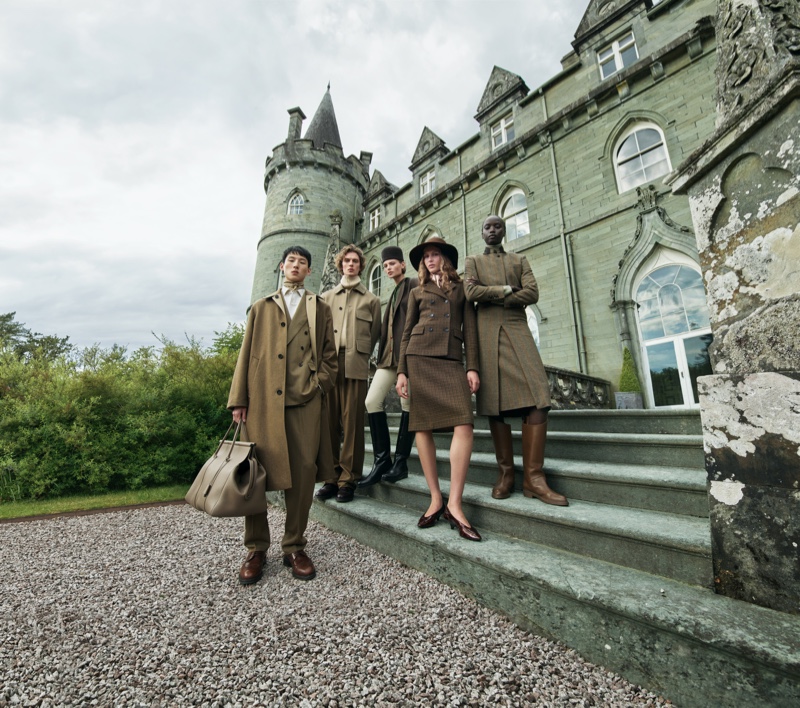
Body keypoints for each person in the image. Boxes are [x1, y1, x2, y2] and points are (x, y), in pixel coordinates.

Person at [228, 245, 338, 585]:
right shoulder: (261, 307)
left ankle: (294, 546)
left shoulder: (320, 307)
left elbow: (331, 358)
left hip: (305, 403)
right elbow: (246, 355)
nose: (296, 265)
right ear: (281, 267)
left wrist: (319, 386)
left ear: (308, 271)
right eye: (291, 260)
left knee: (304, 474)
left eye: (302, 262)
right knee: (256, 476)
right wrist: (238, 400)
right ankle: (257, 548)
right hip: (262, 402)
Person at [464, 215, 568, 506]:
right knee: (495, 404)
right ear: (482, 232)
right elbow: (470, 292)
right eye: (487, 227)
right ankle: (506, 474)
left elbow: (532, 292)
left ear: (504, 230)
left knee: (539, 397)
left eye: (497, 226)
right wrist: (508, 290)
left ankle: (534, 478)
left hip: (518, 328)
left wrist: (493, 296)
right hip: (487, 334)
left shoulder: (519, 260)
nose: (493, 230)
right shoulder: (473, 261)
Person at [396, 235, 482, 541]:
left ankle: (455, 503)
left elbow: (469, 328)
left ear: (445, 258)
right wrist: (402, 372)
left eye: (435, 254)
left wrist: (472, 366)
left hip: (449, 359)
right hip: (418, 357)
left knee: (464, 423)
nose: (429, 259)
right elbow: (406, 334)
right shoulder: (417, 291)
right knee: (423, 427)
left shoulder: (461, 288)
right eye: (425, 256)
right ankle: (435, 498)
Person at [315, 244, 381, 503]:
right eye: (347, 261)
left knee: (352, 424)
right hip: (329, 365)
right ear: (341, 264)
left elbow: (375, 333)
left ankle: (348, 480)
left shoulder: (372, 300)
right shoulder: (326, 298)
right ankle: (330, 478)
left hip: (356, 364)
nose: (351, 264)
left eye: (355, 261)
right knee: (328, 423)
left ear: (360, 266)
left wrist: (360, 354)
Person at [358, 246, 419, 487]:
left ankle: (401, 462)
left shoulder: (414, 283)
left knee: (408, 404)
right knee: (371, 401)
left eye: (392, 264)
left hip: (409, 357)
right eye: (385, 266)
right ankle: (382, 460)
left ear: (403, 265)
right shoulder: (393, 294)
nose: (388, 268)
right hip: (388, 358)